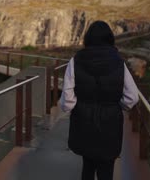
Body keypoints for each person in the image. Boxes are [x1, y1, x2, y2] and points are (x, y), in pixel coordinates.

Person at [59, 21, 139, 180]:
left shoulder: (75, 61)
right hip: (110, 124)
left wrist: (77, 107)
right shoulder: (119, 62)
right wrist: (116, 107)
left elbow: (67, 101)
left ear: (88, 38)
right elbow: (132, 97)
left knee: (87, 165)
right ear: (109, 38)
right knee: (106, 169)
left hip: (83, 122)